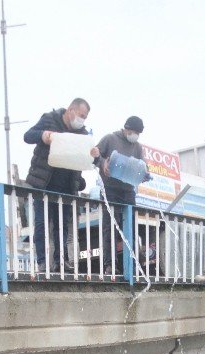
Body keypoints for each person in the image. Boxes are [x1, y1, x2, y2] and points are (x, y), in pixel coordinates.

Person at [23, 99, 98, 273]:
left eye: (85, 118)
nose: (82, 120)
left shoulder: (83, 133)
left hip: (66, 186)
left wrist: (94, 154)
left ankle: (61, 261)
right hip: (43, 182)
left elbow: (91, 159)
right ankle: (42, 262)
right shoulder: (50, 119)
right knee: (41, 223)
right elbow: (28, 136)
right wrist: (43, 135)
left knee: (62, 226)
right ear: (70, 110)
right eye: (81, 116)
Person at [94, 116, 148, 274]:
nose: (135, 135)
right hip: (109, 188)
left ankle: (131, 264)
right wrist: (102, 162)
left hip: (128, 190)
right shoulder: (110, 139)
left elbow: (141, 165)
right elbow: (94, 155)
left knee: (130, 228)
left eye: (138, 133)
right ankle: (110, 264)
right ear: (126, 128)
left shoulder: (137, 147)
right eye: (133, 132)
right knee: (109, 227)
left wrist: (144, 174)